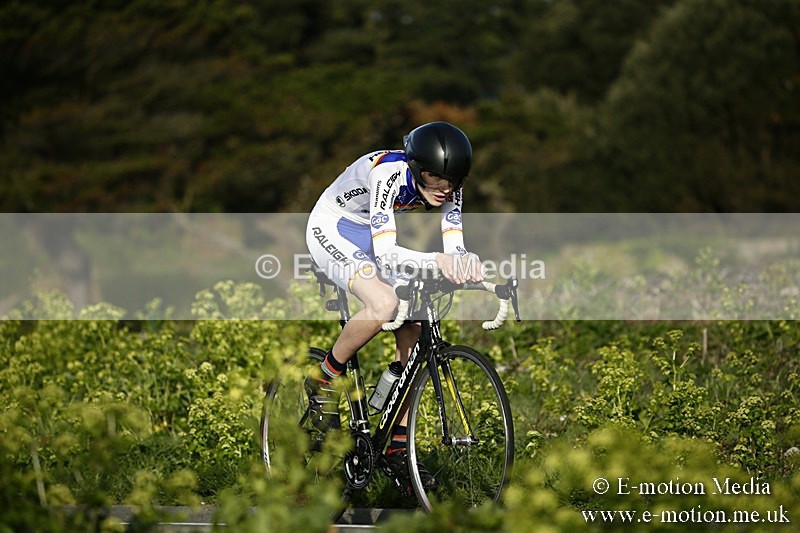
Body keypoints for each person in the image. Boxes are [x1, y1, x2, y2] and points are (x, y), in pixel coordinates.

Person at [304, 121, 484, 491]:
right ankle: (323, 377)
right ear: (417, 168)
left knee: (415, 327)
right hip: (334, 226)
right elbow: (386, 252)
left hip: (373, 233)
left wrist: (468, 265)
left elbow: (455, 245)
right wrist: (438, 261)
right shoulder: (389, 173)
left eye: (452, 181)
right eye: (434, 179)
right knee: (384, 302)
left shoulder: (451, 185)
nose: (445, 189)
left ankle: (397, 446)